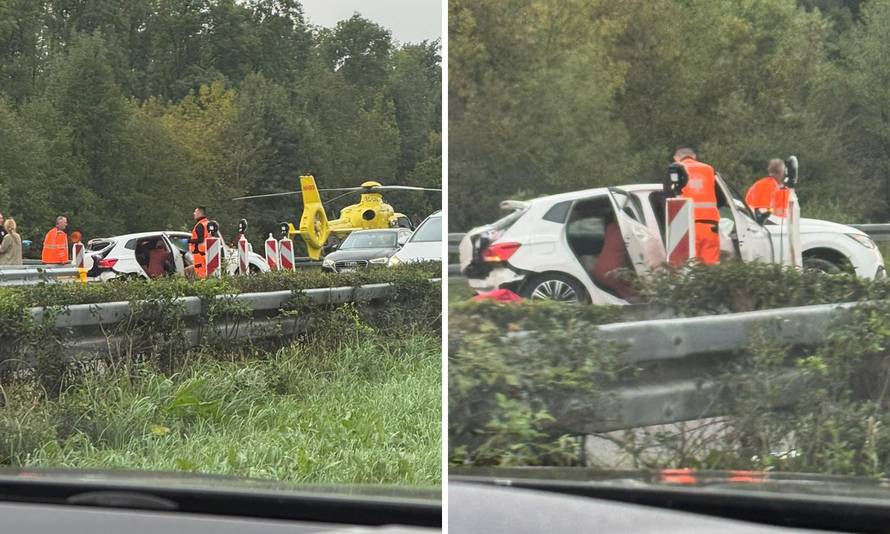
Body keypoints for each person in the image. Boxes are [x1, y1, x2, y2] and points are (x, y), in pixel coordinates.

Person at [673, 147, 720, 265]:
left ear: (676, 158)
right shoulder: (709, 169)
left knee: (688, 266)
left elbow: (668, 198)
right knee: (710, 265)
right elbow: (720, 198)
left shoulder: (674, 170)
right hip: (710, 225)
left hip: (685, 226)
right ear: (694, 157)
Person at [592, 214, 637, 301]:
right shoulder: (628, 231)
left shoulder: (610, 227)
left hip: (598, 269)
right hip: (613, 273)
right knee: (637, 297)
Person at [186, 207, 210, 279]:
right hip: (206, 252)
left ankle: (203, 287)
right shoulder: (207, 223)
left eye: (195, 212)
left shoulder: (200, 225)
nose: (194, 213)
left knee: (200, 275)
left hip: (199, 253)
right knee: (206, 272)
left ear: (199, 213)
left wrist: (188, 241)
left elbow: (200, 239)